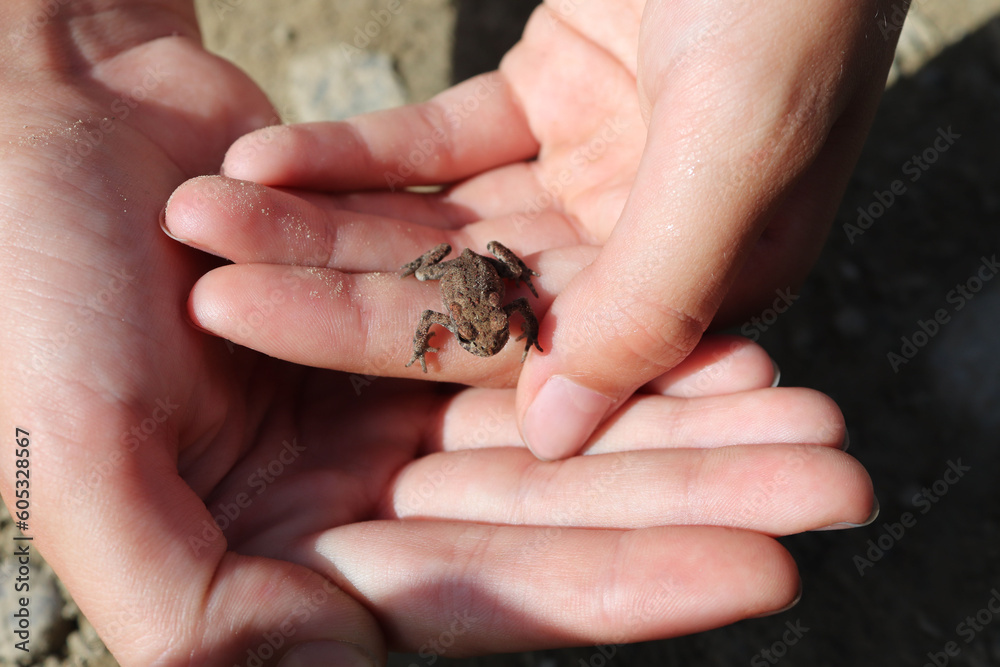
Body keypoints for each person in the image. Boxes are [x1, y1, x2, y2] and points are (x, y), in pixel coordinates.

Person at [0, 0, 891, 665]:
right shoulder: (456, 314)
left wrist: (72, 60)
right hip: (452, 268)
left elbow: (508, 296)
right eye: (477, 329)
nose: (482, 332)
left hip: (485, 260)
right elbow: (433, 310)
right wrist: (46, 77)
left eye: (486, 327)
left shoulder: (502, 306)